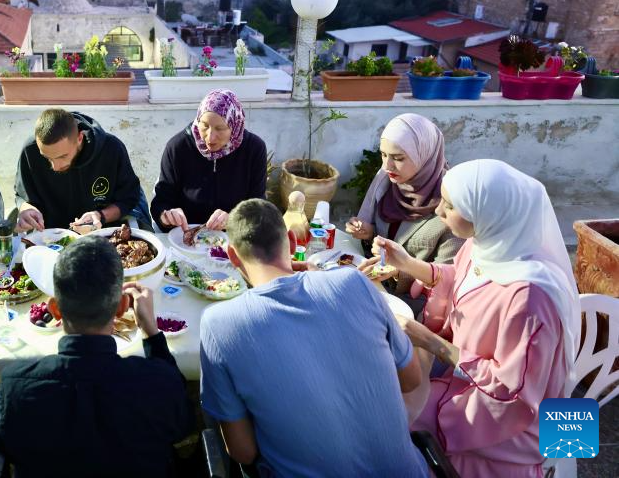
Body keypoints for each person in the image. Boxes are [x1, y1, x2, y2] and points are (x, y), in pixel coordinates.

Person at [361, 159, 580, 478]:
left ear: (486, 213)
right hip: (467, 378)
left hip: (510, 420)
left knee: (385, 409)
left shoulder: (529, 297)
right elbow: (460, 278)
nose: (438, 212)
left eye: (449, 206)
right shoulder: (486, 245)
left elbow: (512, 389)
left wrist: (429, 340)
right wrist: (407, 264)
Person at [200, 199, 428, 477]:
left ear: (233, 256)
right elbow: (412, 379)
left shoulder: (218, 324)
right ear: (293, 242)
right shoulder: (353, 281)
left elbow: (243, 451)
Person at [0, 236, 193, 477]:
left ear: (55, 309)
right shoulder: (157, 381)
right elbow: (182, 423)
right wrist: (151, 333)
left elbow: (8, 449)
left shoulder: (14, 386)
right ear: (122, 306)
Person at [346, 113, 464, 315]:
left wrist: (402, 270)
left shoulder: (450, 204)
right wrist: (368, 232)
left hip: (412, 309)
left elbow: (447, 277)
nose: (387, 166)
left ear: (425, 154)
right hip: (373, 289)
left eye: (398, 158)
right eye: (383, 155)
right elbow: (384, 238)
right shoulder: (386, 182)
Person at [150, 89, 267, 232]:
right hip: (184, 239)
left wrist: (233, 219)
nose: (210, 138)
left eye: (220, 128)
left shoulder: (254, 149)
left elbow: (259, 206)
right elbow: (160, 202)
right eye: (204, 125)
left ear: (235, 126)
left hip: (233, 238)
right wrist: (166, 216)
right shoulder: (178, 147)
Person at [15, 109, 145, 232]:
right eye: (47, 157)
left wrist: (100, 215)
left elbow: (128, 198)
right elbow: (22, 195)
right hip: (49, 236)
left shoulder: (111, 149)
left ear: (80, 138)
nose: (56, 166)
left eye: (63, 156)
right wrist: (26, 209)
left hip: (102, 234)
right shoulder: (30, 150)